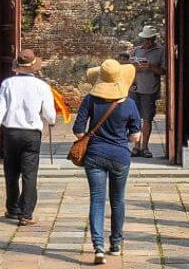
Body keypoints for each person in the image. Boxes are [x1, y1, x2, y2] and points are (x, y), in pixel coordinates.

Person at [73, 59, 140, 265]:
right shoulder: (129, 103)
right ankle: (116, 244)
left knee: (97, 199)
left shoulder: (90, 100)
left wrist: (92, 135)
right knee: (118, 199)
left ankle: (98, 247)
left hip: (94, 155)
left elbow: (79, 132)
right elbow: (135, 136)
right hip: (120, 156)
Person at [0, 48, 56, 225]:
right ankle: (26, 213)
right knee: (29, 174)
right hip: (31, 133)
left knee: (11, 172)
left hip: (11, 132)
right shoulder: (42, 86)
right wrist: (51, 120)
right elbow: (49, 114)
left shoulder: (8, 84)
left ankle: (12, 208)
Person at [129, 25, 165, 157]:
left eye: (150, 39)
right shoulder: (137, 50)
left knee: (147, 119)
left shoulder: (160, 51)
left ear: (154, 39)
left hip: (149, 89)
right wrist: (135, 67)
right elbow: (129, 68)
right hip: (135, 88)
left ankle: (145, 147)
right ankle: (136, 146)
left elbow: (163, 71)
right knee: (135, 119)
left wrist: (150, 66)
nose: (147, 42)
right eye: (145, 39)